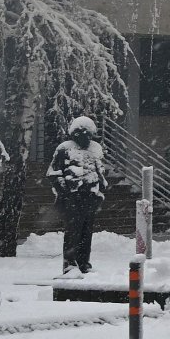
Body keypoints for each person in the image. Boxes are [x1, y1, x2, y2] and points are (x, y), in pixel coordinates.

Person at [47, 116, 107, 275]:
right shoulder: (64, 148)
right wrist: (65, 192)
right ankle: (70, 264)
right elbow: (54, 173)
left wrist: (100, 189)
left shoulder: (96, 148)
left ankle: (83, 262)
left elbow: (100, 170)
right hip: (72, 199)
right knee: (73, 232)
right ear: (74, 133)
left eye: (88, 133)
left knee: (87, 232)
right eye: (81, 133)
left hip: (91, 197)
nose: (84, 137)